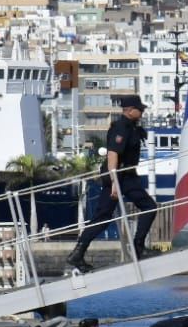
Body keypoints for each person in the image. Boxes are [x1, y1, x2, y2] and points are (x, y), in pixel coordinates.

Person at [66, 94, 158, 271]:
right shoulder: (121, 127)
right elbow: (113, 154)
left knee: (105, 216)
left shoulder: (131, 127)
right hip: (120, 177)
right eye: (140, 109)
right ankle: (137, 248)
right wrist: (115, 182)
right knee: (145, 207)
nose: (142, 111)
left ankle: (77, 254)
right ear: (130, 110)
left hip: (127, 176)